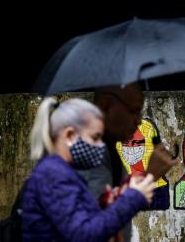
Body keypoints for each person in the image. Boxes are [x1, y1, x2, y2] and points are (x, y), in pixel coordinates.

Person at [22, 97, 156, 241]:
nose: (101, 145)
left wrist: (110, 202)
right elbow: (84, 234)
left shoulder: (61, 170)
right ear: (70, 135)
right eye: (95, 137)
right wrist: (132, 199)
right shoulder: (53, 174)